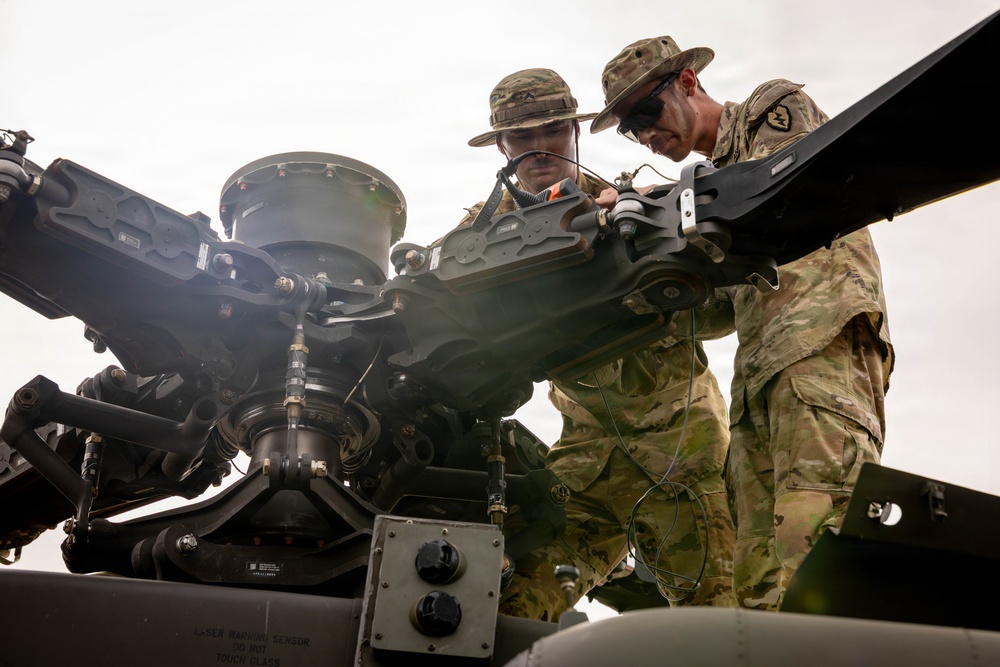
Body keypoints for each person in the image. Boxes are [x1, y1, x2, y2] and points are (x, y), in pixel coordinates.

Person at [591, 36, 894, 610]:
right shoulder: (710, 209)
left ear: (686, 82)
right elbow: (717, 308)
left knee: (823, 541)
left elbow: (792, 188)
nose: (646, 135)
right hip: (756, 383)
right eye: (631, 130)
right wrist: (636, 273)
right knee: (757, 585)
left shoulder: (769, 111)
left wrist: (668, 204)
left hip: (819, 350)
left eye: (646, 113)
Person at [459, 67, 736, 620]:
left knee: (721, 626)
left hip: (680, 458)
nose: (540, 149)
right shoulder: (476, 242)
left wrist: (642, 272)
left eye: (554, 131)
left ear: (577, 132)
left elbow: (722, 313)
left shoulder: (632, 206)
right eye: (522, 138)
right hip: (584, 472)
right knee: (502, 613)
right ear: (499, 145)